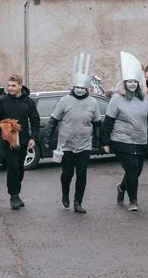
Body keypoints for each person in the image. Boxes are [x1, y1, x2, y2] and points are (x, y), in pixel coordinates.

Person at [101, 52, 148, 212]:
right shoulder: (117, 99)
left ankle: (122, 188)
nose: (132, 84)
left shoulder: (146, 98)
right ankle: (133, 201)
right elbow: (108, 121)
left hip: (140, 140)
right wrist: (105, 141)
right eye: (129, 81)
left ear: (139, 83)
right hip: (122, 141)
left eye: (134, 82)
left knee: (135, 172)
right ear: (124, 83)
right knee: (131, 169)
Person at [44, 53, 102, 214]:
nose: (79, 90)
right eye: (77, 87)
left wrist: (98, 142)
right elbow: (54, 120)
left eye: (82, 88)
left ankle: (78, 201)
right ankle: (65, 192)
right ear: (73, 87)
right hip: (66, 145)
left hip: (84, 144)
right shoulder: (64, 101)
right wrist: (47, 138)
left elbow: (97, 123)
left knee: (82, 173)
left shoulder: (93, 102)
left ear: (87, 89)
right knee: (67, 173)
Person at [0, 74, 40, 210]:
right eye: (9, 85)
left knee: (20, 167)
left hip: (23, 140)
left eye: (13, 86)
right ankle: (13, 196)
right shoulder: (2, 101)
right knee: (13, 165)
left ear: (20, 86)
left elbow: (35, 120)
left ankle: (17, 193)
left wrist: (33, 137)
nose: (10, 88)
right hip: (8, 141)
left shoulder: (28, 102)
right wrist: (5, 127)